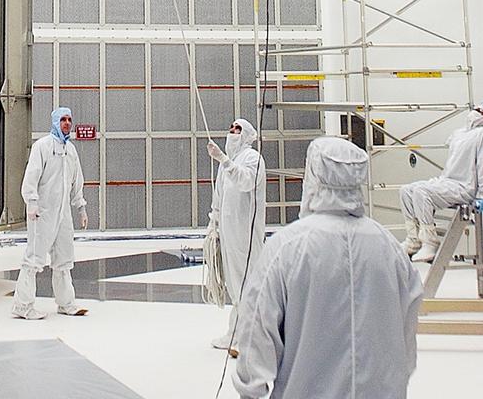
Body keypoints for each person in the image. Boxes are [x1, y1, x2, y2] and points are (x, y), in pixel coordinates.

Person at [235, 137, 423, 399]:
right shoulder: (390, 249)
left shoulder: (287, 247)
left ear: (312, 176)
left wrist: (249, 389)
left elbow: (256, 330)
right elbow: (406, 340)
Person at [12, 106, 88, 320]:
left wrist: (80, 207)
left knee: (64, 259)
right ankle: (22, 306)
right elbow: (31, 176)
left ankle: (66, 303)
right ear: (55, 122)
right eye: (63, 119)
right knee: (34, 258)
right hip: (42, 213)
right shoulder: (42, 146)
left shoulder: (70, 150)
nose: (67, 123)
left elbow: (76, 180)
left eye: (69, 119)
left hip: (63, 213)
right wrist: (32, 202)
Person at [207, 117, 266, 353]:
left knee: (246, 282)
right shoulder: (226, 164)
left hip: (246, 233)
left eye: (238, 128)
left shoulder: (253, 158)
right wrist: (214, 223)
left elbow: (245, 182)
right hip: (229, 232)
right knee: (235, 283)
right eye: (231, 127)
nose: (232, 131)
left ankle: (249, 337)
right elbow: (219, 195)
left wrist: (224, 159)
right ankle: (235, 333)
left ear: (247, 134)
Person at [400, 105, 483, 262]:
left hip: (465, 186)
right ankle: (413, 240)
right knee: (406, 190)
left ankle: (430, 242)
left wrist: (480, 197)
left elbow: (482, 167)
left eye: (479, 111)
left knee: (421, 192)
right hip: (447, 180)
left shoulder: (480, 135)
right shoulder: (459, 133)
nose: (475, 112)